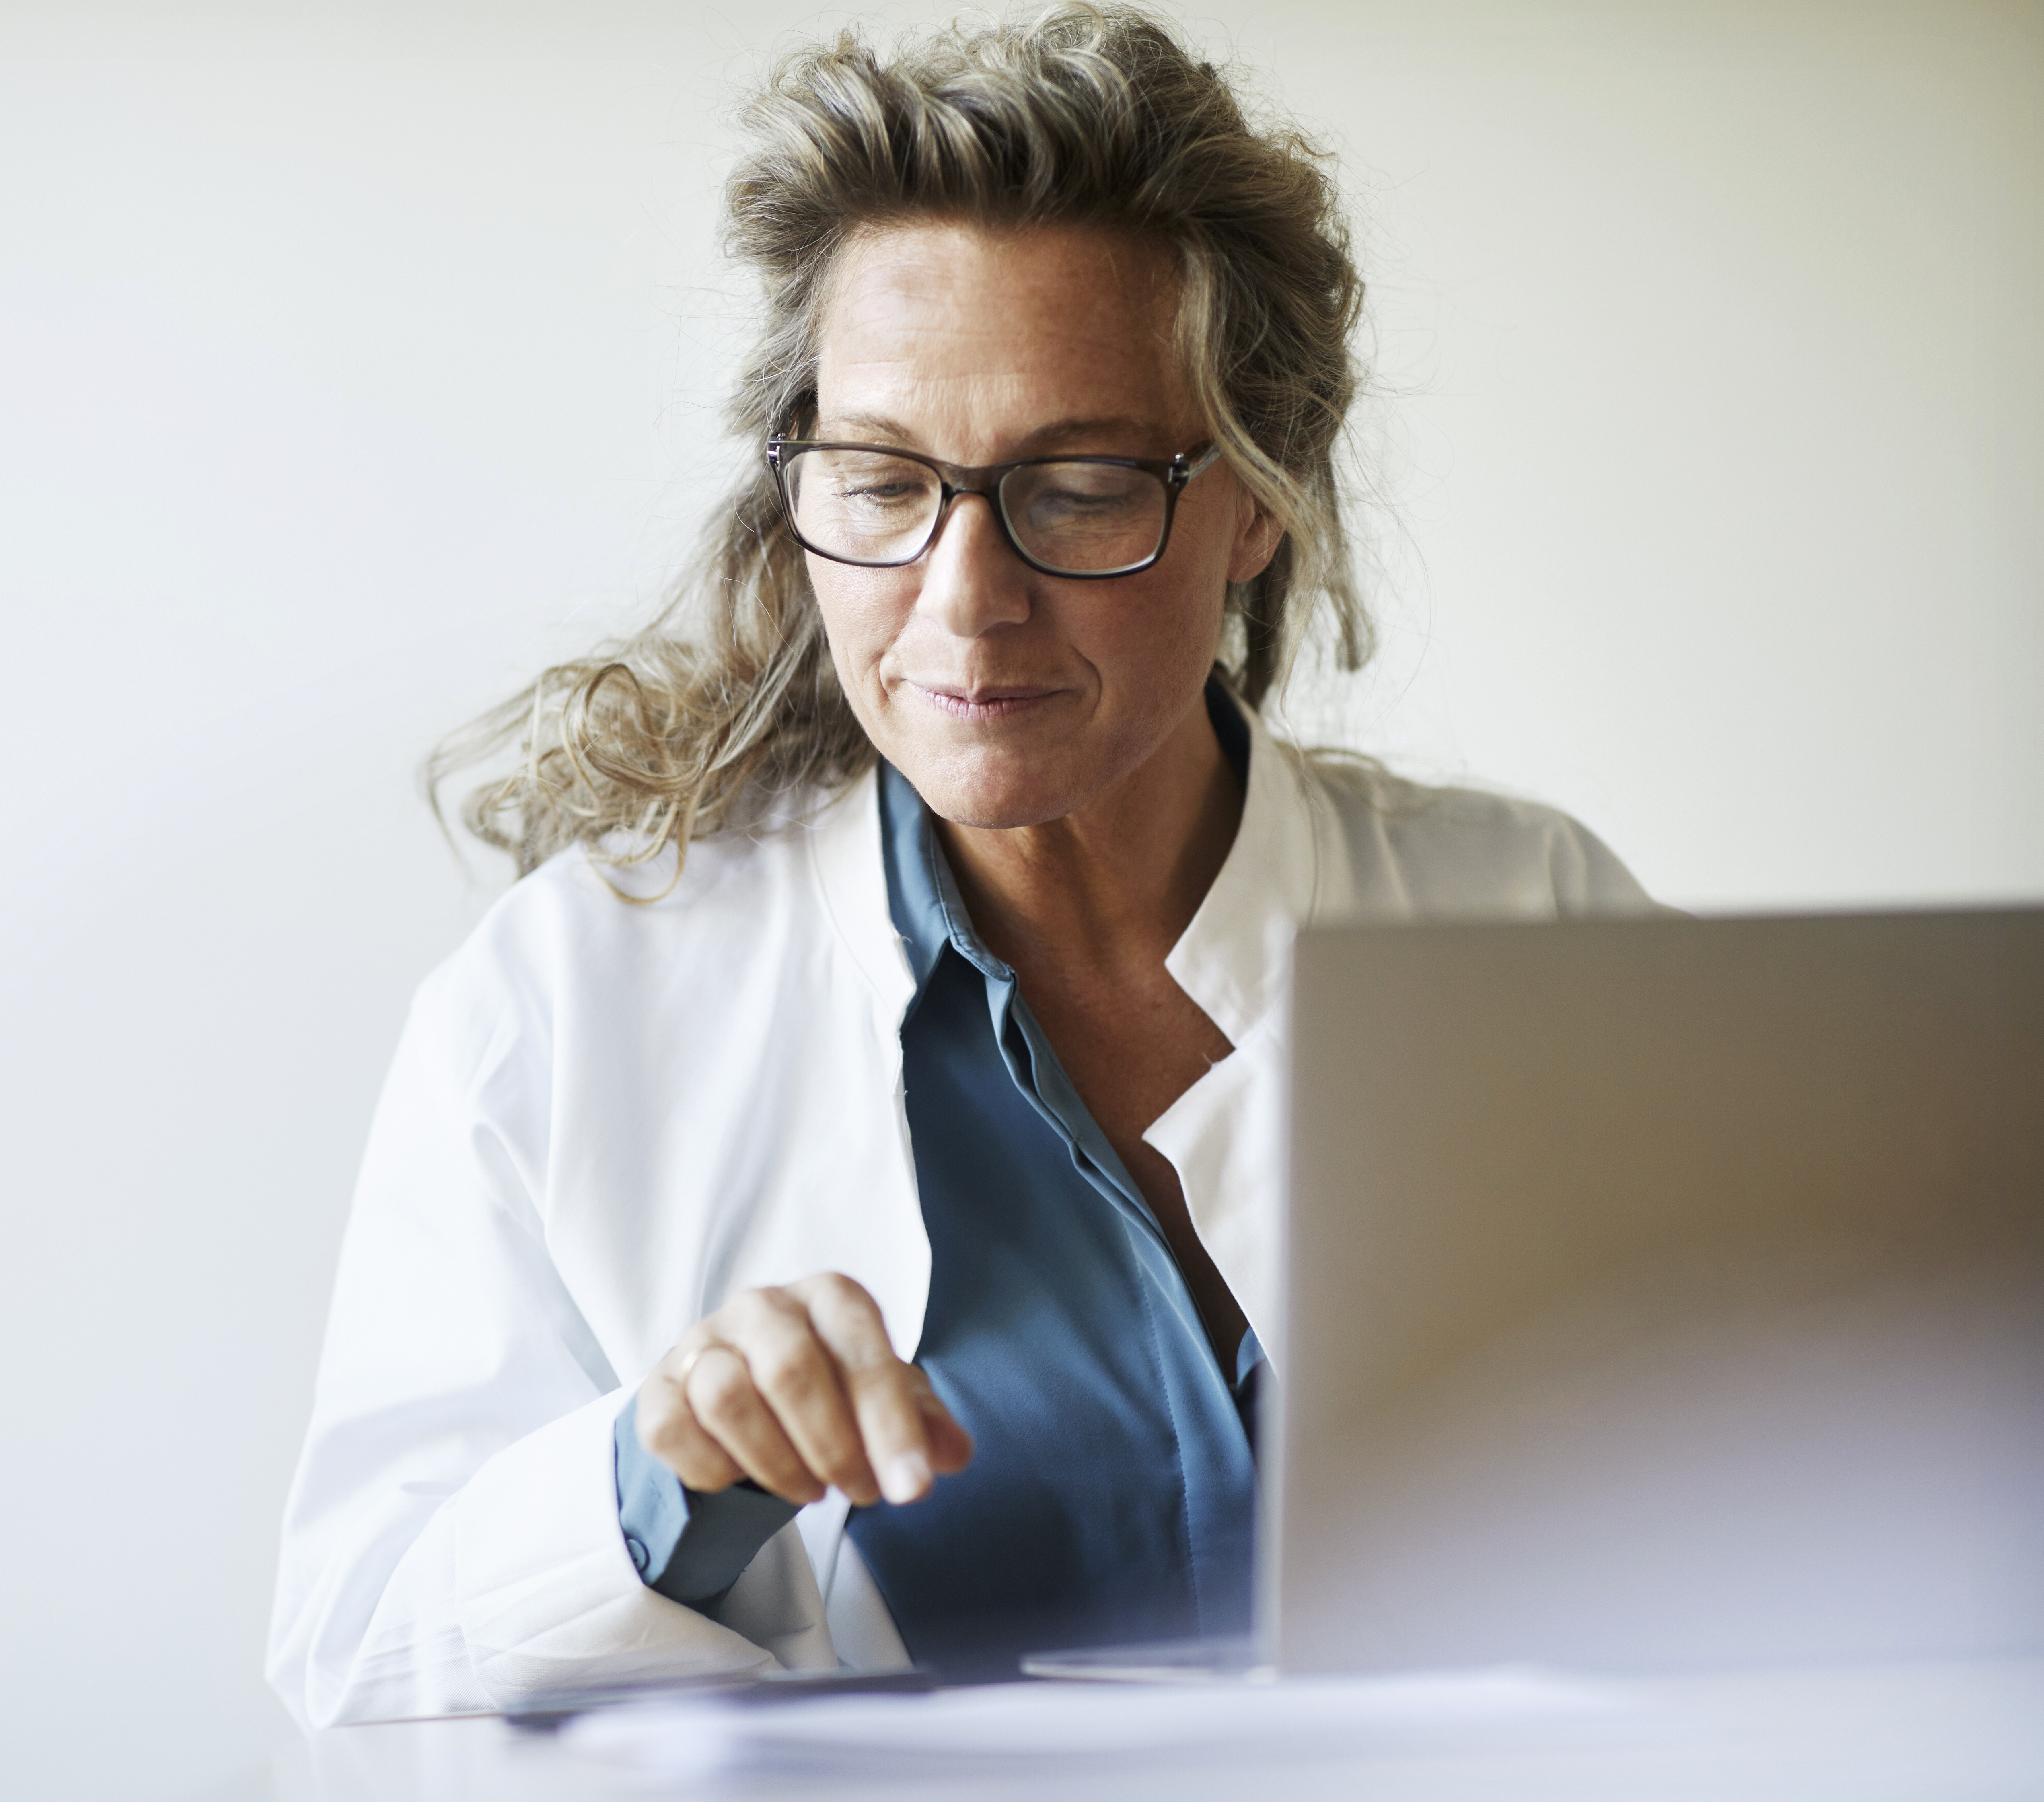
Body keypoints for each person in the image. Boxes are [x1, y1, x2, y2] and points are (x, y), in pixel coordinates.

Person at [267, 2, 1659, 1729]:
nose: (962, 597)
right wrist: (658, 1471)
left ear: (1256, 499)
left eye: (1075, 487)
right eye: (880, 479)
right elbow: (355, 1645)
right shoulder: (564, 998)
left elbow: (1780, 1490)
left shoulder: (1529, 920)